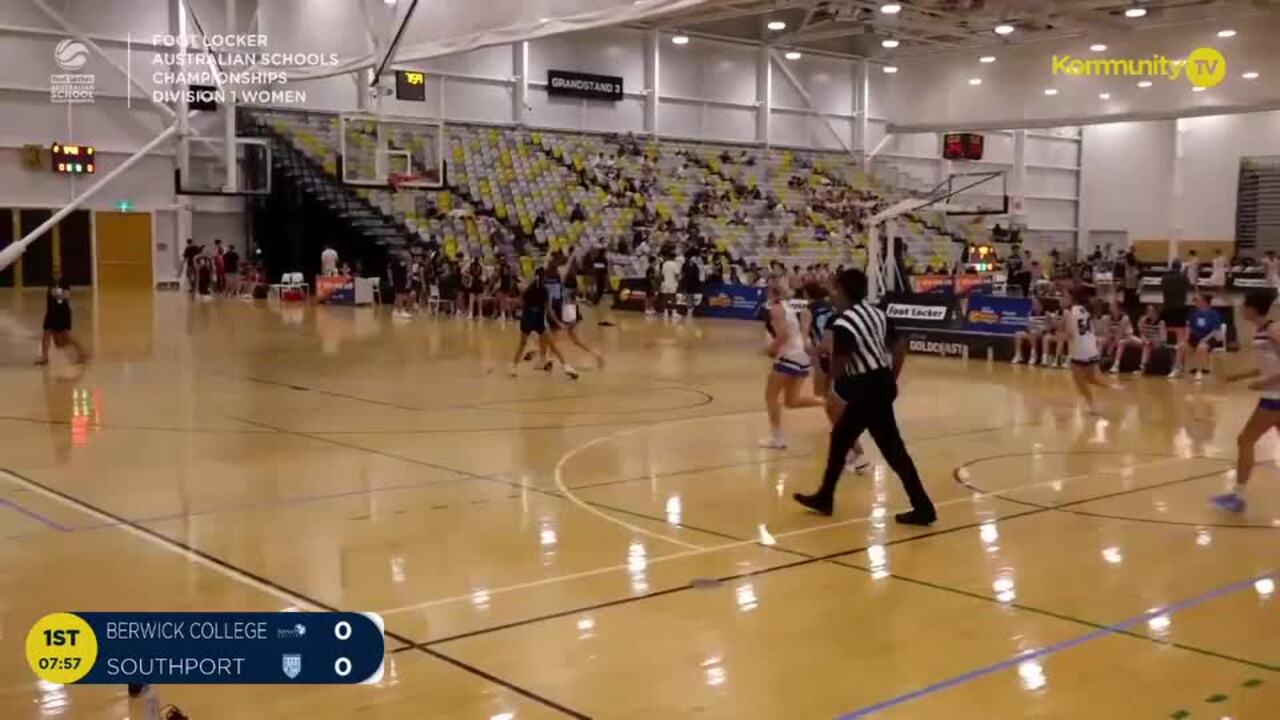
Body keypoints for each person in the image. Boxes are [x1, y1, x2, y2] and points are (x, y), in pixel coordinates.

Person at [792, 269, 936, 525]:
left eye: (836, 290)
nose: (832, 295)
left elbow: (840, 362)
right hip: (880, 383)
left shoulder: (844, 322)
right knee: (847, 440)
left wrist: (832, 380)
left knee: (889, 450)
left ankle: (922, 507)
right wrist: (891, 376)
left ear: (845, 292)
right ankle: (826, 496)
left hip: (863, 388)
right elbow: (900, 346)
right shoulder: (877, 313)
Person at [1215, 290, 1280, 514]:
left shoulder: (1273, 329)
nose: (1240, 308)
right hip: (1273, 395)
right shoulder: (1260, 331)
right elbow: (1266, 365)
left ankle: (1239, 497)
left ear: (1252, 308)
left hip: (1275, 398)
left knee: (1245, 441)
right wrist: (1236, 377)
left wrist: (1266, 382)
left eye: (1243, 305)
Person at [807, 282, 869, 472]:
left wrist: (813, 354)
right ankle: (851, 450)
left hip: (839, 366)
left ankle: (856, 452)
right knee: (836, 406)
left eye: (837, 292)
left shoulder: (834, 318)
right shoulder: (861, 315)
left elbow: (826, 346)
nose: (832, 295)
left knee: (835, 407)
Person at [759, 277, 825, 449]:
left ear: (770, 293)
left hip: (789, 355)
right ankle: (829, 402)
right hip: (801, 355)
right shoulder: (788, 307)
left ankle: (777, 437)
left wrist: (767, 350)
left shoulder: (776, 309)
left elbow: (783, 336)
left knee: (770, 396)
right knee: (792, 401)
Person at [510, 268, 578, 380]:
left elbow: (521, 302)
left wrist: (514, 303)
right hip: (536, 319)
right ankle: (566, 367)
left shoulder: (530, 289)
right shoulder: (543, 290)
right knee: (552, 345)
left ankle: (513, 367)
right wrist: (558, 323)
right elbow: (549, 310)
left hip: (531, 319)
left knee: (524, 344)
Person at [1066, 288, 1106, 414]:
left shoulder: (1071, 311)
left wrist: (1070, 353)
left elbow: (1070, 333)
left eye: (1066, 295)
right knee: (1091, 378)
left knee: (1079, 380)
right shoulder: (1087, 309)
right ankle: (1113, 388)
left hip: (1080, 349)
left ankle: (1092, 405)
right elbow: (1096, 329)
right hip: (1091, 347)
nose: (1064, 297)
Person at [36, 273, 89, 365]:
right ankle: (44, 357)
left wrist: (56, 293)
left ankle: (83, 354)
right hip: (51, 312)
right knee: (46, 332)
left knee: (62, 340)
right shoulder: (51, 281)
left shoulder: (64, 281)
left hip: (62, 313)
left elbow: (67, 295)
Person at [1181, 293, 1225, 380]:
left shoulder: (1213, 314)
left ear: (1204, 302)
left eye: (1198, 301)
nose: (1196, 302)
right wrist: (1186, 338)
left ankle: (1199, 371)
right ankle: (1180, 369)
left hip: (1210, 337)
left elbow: (1216, 331)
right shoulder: (1194, 313)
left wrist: (1205, 339)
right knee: (1182, 346)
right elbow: (1190, 327)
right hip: (1197, 337)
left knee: (1201, 347)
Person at [1161, 259, 1191, 377]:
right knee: (1180, 338)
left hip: (1167, 309)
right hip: (1180, 310)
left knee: (1168, 339)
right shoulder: (1183, 277)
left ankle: (1170, 364)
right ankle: (1180, 365)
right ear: (1180, 267)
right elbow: (1188, 286)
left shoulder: (1165, 278)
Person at [1100, 299, 1136, 373]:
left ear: (1119, 308)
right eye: (1111, 306)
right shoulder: (1107, 318)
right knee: (1100, 341)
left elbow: (1121, 334)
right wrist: (1109, 339)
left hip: (1126, 337)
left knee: (1121, 342)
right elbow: (1106, 332)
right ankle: (1095, 363)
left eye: (1113, 306)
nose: (1111, 308)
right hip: (1113, 338)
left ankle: (1116, 365)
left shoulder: (1125, 318)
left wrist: (1112, 346)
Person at [1011, 297, 1048, 365]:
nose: (1034, 304)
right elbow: (1027, 325)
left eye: (1035, 303)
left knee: (1033, 333)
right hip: (1031, 332)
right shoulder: (1030, 313)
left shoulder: (1046, 314)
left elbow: (1047, 327)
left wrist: (1040, 329)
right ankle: (1018, 355)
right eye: (1033, 303)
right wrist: (1030, 328)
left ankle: (1034, 354)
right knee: (1018, 334)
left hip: (1041, 334)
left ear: (1040, 304)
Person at [1133, 304, 1168, 375]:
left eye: (1150, 311)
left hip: (1158, 343)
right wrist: (1143, 336)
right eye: (1147, 310)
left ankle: (1143, 368)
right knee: (1144, 343)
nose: (1148, 312)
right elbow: (1142, 333)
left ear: (1155, 312)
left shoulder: (1161, 323)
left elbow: (1163, 338)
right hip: (1147, 342)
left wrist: (1153, 340)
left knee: (1147, 346)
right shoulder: (1145, 321)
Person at [660, 253, 681, 320]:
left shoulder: (664, 264)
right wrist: (679, 282)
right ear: (674, 258)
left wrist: (663, 282)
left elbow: (662, 275)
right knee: (673, 297)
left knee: (666, 297)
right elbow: (677, 274)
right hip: (672, 283)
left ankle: (665, 312)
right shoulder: (674, 264)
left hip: (665, 283)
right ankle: (674, 312)